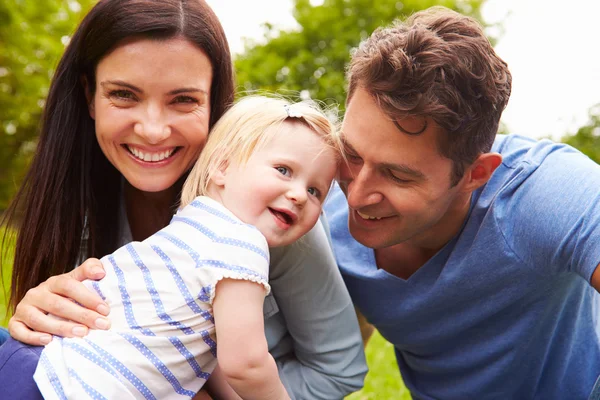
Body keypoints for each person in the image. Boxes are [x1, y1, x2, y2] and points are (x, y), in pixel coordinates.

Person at [0, 0, 367, 399]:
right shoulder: (81, 198)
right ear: (90, 96)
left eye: (183, 100)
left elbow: (337, 371)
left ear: (214, 105)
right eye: (123, 94)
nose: (153, 130)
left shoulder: (274, 212)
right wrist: (39, 313)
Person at [323, 6, 600, 400]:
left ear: (475, 175)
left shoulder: (539, 192)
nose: (356, 193)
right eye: (350, 153)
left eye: (399, 175)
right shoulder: (316, 211)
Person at [33, 95, 340, 400]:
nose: (299, 194)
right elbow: (246, 365)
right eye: (283, 170)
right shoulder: (243, 244)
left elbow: (213, 356)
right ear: (222, 167)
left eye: (315, 191)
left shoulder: (193, 221)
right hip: (79, 387)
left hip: (46, 364)